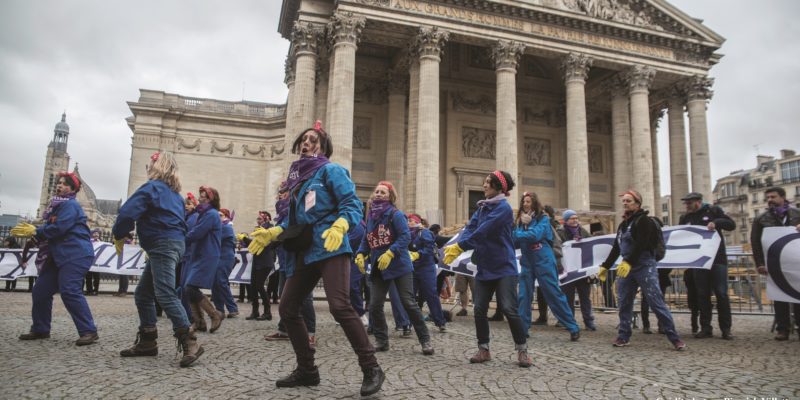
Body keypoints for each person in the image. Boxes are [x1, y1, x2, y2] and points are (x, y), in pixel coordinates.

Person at [247, 121, 383, 396]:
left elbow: (352, 205)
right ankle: (307, 370)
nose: (305, 143)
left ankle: (372, 368)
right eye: (303, 140)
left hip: (331, 245)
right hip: (306, 250)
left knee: (340, 306)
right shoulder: (298, 181)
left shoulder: (331, 170)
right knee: (287, 308)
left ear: (323, 146)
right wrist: (273, 232)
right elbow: (294, 222)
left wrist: (341, 225)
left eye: (312, 140)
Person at [112, 151, 203, 366]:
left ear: (156, 167)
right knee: (143, 294)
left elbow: (126, 213)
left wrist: (119, 233)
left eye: (149, 165)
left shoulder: (151, 188)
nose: (147, 169)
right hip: (171, 244)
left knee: (164, 293)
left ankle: (190, 342)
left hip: (161, 244)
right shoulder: (176, 196)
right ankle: (147, 341)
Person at [443, 170, 531, 368]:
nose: (484, 186)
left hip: (504, 266)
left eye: (488, 183)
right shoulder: (482, 208)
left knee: (509, 308)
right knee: (480, 308)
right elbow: (471, 229)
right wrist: (457, 244)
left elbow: (484, 231)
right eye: (484, 182)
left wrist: (461, 247)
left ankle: (522, 349)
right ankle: (484, 349)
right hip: (484, 266)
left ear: (499, 188)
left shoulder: (503, 209)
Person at [12, 171, 99, 345]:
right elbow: (52, 230)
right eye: (58, 183)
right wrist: (36, 237)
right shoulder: (56, 206)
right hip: (58, 254)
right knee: (40, 291)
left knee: (69, 291)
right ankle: (41, 328)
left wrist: (36, 231)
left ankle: (89, 331)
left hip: (75, 254)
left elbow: (60, 228)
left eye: (64, 184)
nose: (59, 186)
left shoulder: (70, 206)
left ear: (72, 188)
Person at [598, 190, 685, 351]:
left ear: (637, 203)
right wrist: (605, 265)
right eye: (623, 201)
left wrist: (629, 261)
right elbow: (617, 247)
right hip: (626, 268)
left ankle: (674, 337)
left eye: (628, 201)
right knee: (624, 302)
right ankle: (623, 335)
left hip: (644, 266)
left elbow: (643, 243)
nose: (625, 203)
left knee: (655, 301)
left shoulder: (644, 221)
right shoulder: (623, 225)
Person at [355, 181, 434, 355]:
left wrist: (391, 252)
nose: (378, 194)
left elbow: (405, 236)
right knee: (375, 305)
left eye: (383, 192)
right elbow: (367, 239)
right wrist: (361, 253)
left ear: (390, 196)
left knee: (409, 303)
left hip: (399, 265)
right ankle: (382, 341)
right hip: (379, 266)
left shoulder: (395, 214)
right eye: (376, 191)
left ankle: (425, 340)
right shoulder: (371, 216)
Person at [514, 192, 580, 341]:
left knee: (553, 294)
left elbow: (535, 236)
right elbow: (514, 239)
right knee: (524, 296)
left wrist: (523, 229)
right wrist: (522, 228)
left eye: (528, 202)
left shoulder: (543, 219)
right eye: (524, 201)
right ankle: (523, 329)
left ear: (535, 203)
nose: (525, 204)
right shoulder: (520, 222)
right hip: (527, 262)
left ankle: (572, 326)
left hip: (543, 260)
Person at [679, 191, 736, 339]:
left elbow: (731, 225)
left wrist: (716, 223)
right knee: (702, 295)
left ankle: (726, 329)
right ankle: (706, 327)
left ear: (698, 202)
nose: (687, 206)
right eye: (686, 203)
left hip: (717, 259)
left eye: (689, 203)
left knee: (721, 294)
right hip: (698, 261)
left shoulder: (714, 211)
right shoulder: (685, 218)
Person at [750, 186, 800, 341]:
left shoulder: (797, 214)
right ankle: (783, 328)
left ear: (783, 198)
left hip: (796, 262)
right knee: (780, 296)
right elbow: (755, 243)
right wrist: (759, 263)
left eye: (773, 197)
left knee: (798, 295)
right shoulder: (761, 219)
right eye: (768, 198)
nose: (770, 200)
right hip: (774, 262)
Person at [182, 186, 224, 334]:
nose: (199, 199)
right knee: (189, 288)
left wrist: (181, 239)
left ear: (211, 200)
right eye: (200, 196)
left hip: (207, 255)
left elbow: (198, 232)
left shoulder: (211, 214)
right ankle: (199, 322)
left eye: (204, 197)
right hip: (200, 254)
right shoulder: (205, 213)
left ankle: (214, 314)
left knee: (190, 288)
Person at [557, 209, 597, 331]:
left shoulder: (583, 231)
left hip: (581, 271)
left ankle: (589, 321)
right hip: (567, 271)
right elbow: (558, 247)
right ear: (566, 220)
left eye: (576, 218)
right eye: (572, 218)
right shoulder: (560, 232)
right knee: (567, 298)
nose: (575, 220)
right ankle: (569, 321)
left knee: (585, 297)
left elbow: (591, 245)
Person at [407, 213, 446, 332]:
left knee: (431, 295)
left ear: (417, 221)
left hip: (426, 268)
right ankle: (407, 323)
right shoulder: (407, 233)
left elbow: (429, 249)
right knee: (409, 296)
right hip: (412, 268)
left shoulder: (424, 233)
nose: (408, 222)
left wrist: (418, 254)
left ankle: (440, 322)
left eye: (410, 220)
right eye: (407, 220)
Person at [241, 211, 275, 321]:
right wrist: (244, 239)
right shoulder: (258, 230)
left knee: (259, 286)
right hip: (257, 260)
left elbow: (264, 243)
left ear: (267, 219)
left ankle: (267, 312)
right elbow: (254, 243)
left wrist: (247, 239)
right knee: (253, 286)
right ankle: (255, 311)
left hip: (265, 261)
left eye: (260, 219)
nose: (258, 221)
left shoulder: (270, 230)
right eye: (258, 219)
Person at [212, 208, 239, 318]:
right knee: (215, 283)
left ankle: (233, 308)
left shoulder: (227, 227)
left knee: (221, 281)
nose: (218, 217)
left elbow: (215, 238)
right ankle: (219, 310)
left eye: (221, 215)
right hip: (217, 258)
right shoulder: (220, 227)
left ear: (226, 216)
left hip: (226, 258)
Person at [83, 230, 101, 295]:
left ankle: (96, 290)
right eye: (95, 233)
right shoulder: (89, 241)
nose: (96, 234)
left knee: (96, 277)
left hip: (97, 262)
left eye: (97, 233)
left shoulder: (101, 242)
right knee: (88, 277)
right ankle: (89, 290)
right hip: (89, 261)